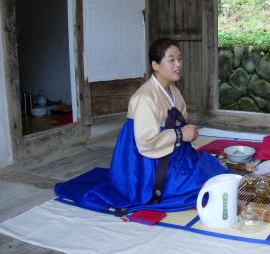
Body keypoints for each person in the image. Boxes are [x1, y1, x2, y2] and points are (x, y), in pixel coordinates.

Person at [54, 38, 227, 215]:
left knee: (213, 172)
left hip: (170, 149)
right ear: (156, 65)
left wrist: (186, 131)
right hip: (147, 162)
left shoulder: (173, 91)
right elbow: (146, 142)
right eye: (171, 59)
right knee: (197, 187)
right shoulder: (144, 97)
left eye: (180, 59)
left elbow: (180, 121)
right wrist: (181, 134)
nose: (178, 64)